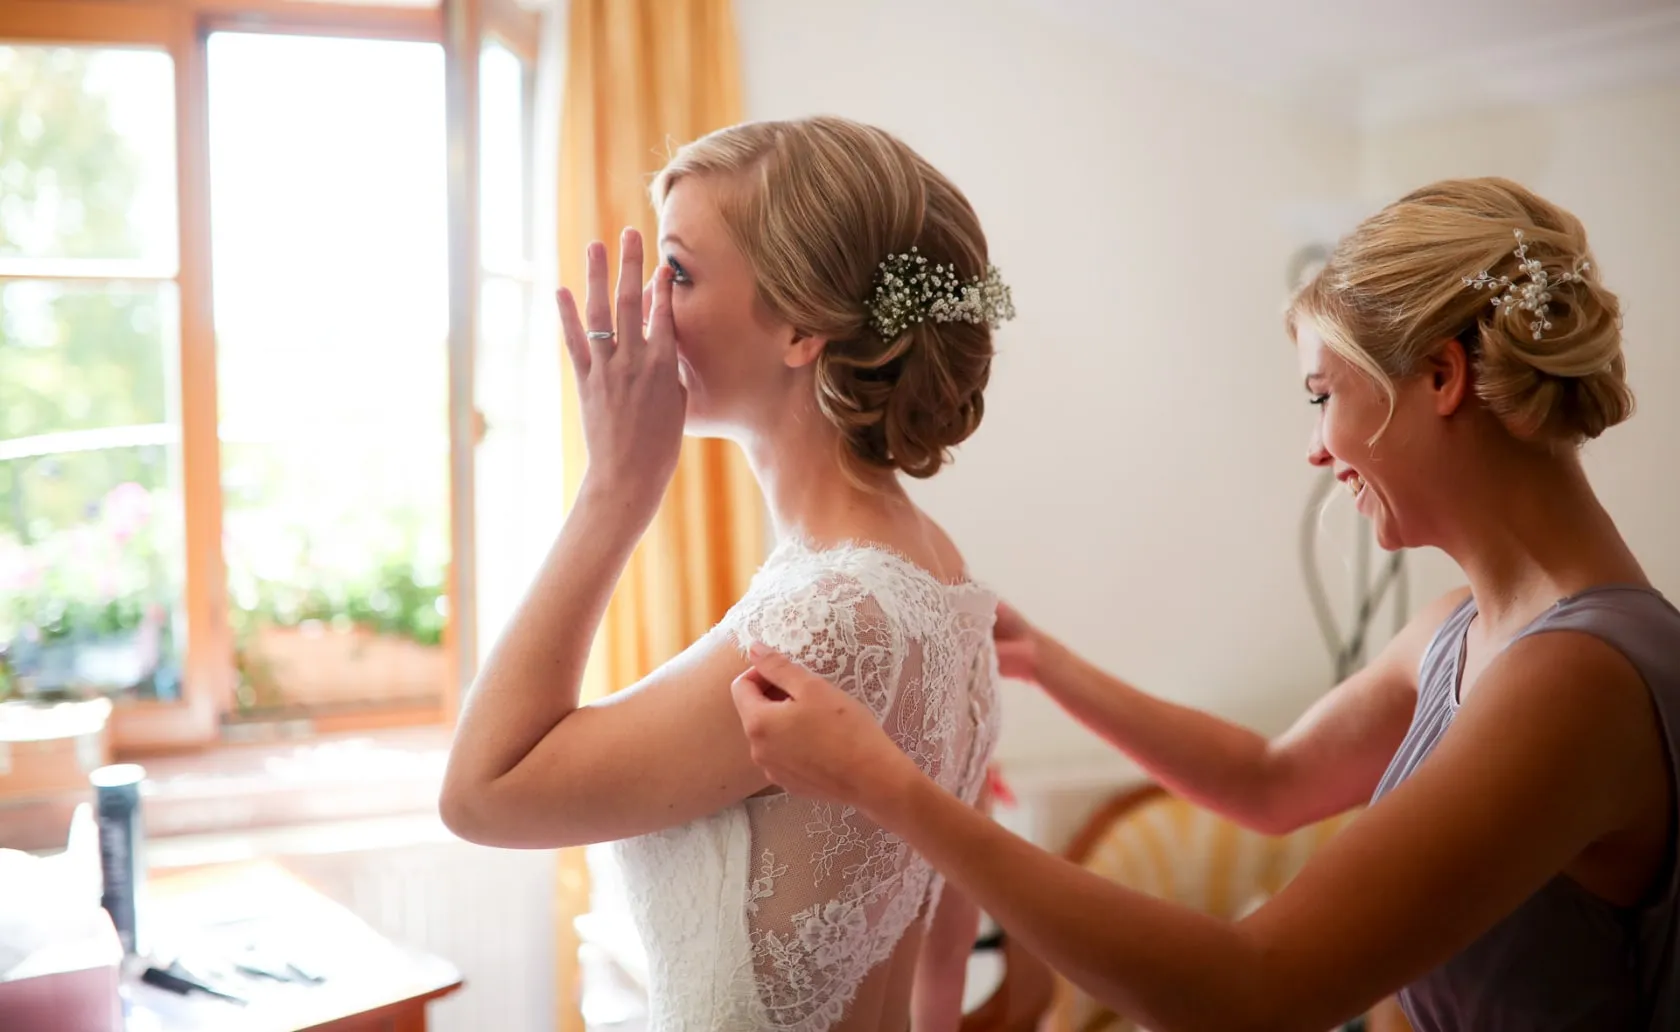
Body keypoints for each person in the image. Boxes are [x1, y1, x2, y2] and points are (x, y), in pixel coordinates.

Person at [732, 177, 1680, 1032]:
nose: (1318, 447)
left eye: (1323, 394)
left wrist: (888, 787)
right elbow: (1270, 782)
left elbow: (1252, 989)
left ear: (1440, 378)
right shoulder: (1460, 631)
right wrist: (1044, 659)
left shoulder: (1576, 683)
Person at [440, 115, 1016, 1032]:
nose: (646, 309)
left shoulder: (828, 619)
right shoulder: (938, 579)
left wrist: (616, 488)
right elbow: (943, 962)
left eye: (678, 272)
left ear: (801, 328)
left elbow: (479, 794)